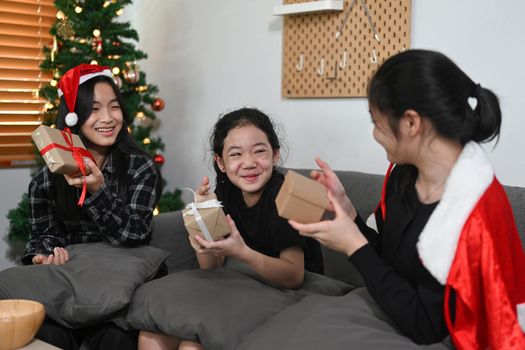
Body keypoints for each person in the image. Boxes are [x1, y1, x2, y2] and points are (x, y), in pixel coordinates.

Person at [238, 49, 525, 349]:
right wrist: (348, 215)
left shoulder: (473, 214)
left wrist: (353, 245)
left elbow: (426, 327)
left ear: (411, 123)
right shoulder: (403, 175)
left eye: (376, 122)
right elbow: (391, 267)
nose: (375, 134)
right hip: (393, 314)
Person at [137, 107, 324, 350]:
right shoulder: (227, 191)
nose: (248, 163)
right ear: (220, 162)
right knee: (151, 336)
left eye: (259, 152)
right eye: (236, 154)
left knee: (192, 346)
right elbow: (211, 266)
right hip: (247, 285)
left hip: (295, 293)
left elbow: (294, 276)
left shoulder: (286, 195)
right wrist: (203, 227)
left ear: (275, 155)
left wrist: (242, 252)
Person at [24, 64, 160, 350]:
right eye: (95, 109)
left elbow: (136, 234)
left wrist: (98, 191)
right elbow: (43, 236)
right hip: (74, 284)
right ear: (74, 118)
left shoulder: (140, 167)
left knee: (116, 338)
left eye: (114, 107)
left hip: (123, 284)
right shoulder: (47, 180)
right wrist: (45, 254)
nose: (108, 118)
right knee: (46, 335)